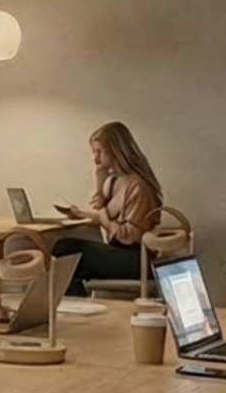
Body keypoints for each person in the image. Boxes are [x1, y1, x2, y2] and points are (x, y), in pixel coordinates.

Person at [52, 121, 164, 295]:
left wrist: (102, 214)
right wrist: (80, 213)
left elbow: (128, 236)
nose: (95, 159)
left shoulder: (137, 186)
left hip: (138, 258)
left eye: (99, 152)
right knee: (68, 261)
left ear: (116, 150)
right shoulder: (115, 180)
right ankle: (73, 308)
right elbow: (108, 215)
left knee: (66, 250)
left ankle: (73, 309)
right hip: (121, 251)